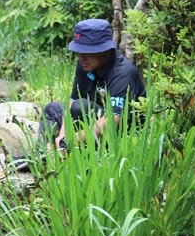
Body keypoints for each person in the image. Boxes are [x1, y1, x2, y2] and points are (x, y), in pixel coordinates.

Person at [17, 18, 145, 168]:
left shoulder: (122, 74)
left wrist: (69, 141)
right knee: (53, 109)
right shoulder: (86, 64)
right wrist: (62, 136)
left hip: (119, 136)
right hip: (91, 120)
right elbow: (71, 102)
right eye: (79, 51)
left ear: (105, 49)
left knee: (80, 107)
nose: (81, 57)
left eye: (87, 52)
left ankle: (68, 156)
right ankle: (41, 156)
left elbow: (111, 122)